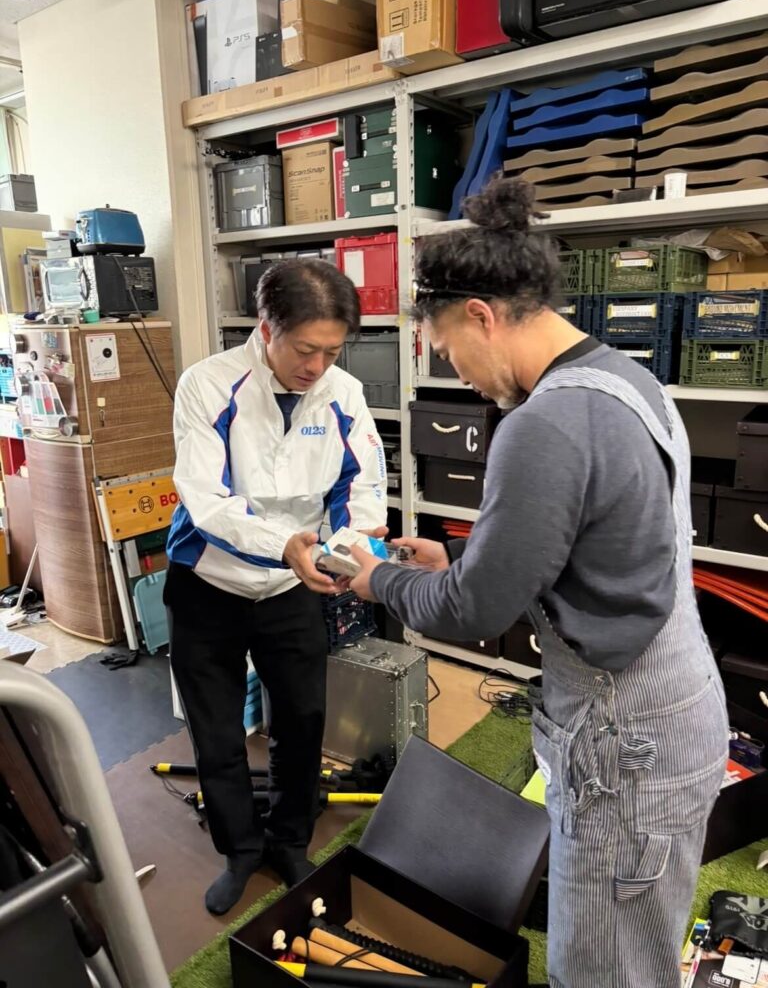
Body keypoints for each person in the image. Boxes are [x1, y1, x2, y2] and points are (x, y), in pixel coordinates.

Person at [326, 178, 729, 988]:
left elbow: (476, 609)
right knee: (640, 947)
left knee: (605, 968)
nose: (460, 374)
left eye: (447, 351)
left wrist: (376, 581)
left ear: (481, 315)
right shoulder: (625, 379)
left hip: (628, 747)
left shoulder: (544, 422)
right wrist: (460, 559)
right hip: (676, 711)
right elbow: (594, 547)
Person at [164, 259, 387, 915]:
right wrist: (284, 543)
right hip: (208, 581)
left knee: (302, 719)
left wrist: (345, 551)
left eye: (331, 351)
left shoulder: (343, 393)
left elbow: (361, 485)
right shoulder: (207, 384)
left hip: (294, 584)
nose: (316, 366)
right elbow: (206, 499)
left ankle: (290, 840)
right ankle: (239, 849)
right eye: (304, 349)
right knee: (216, 731)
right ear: (266, 329)